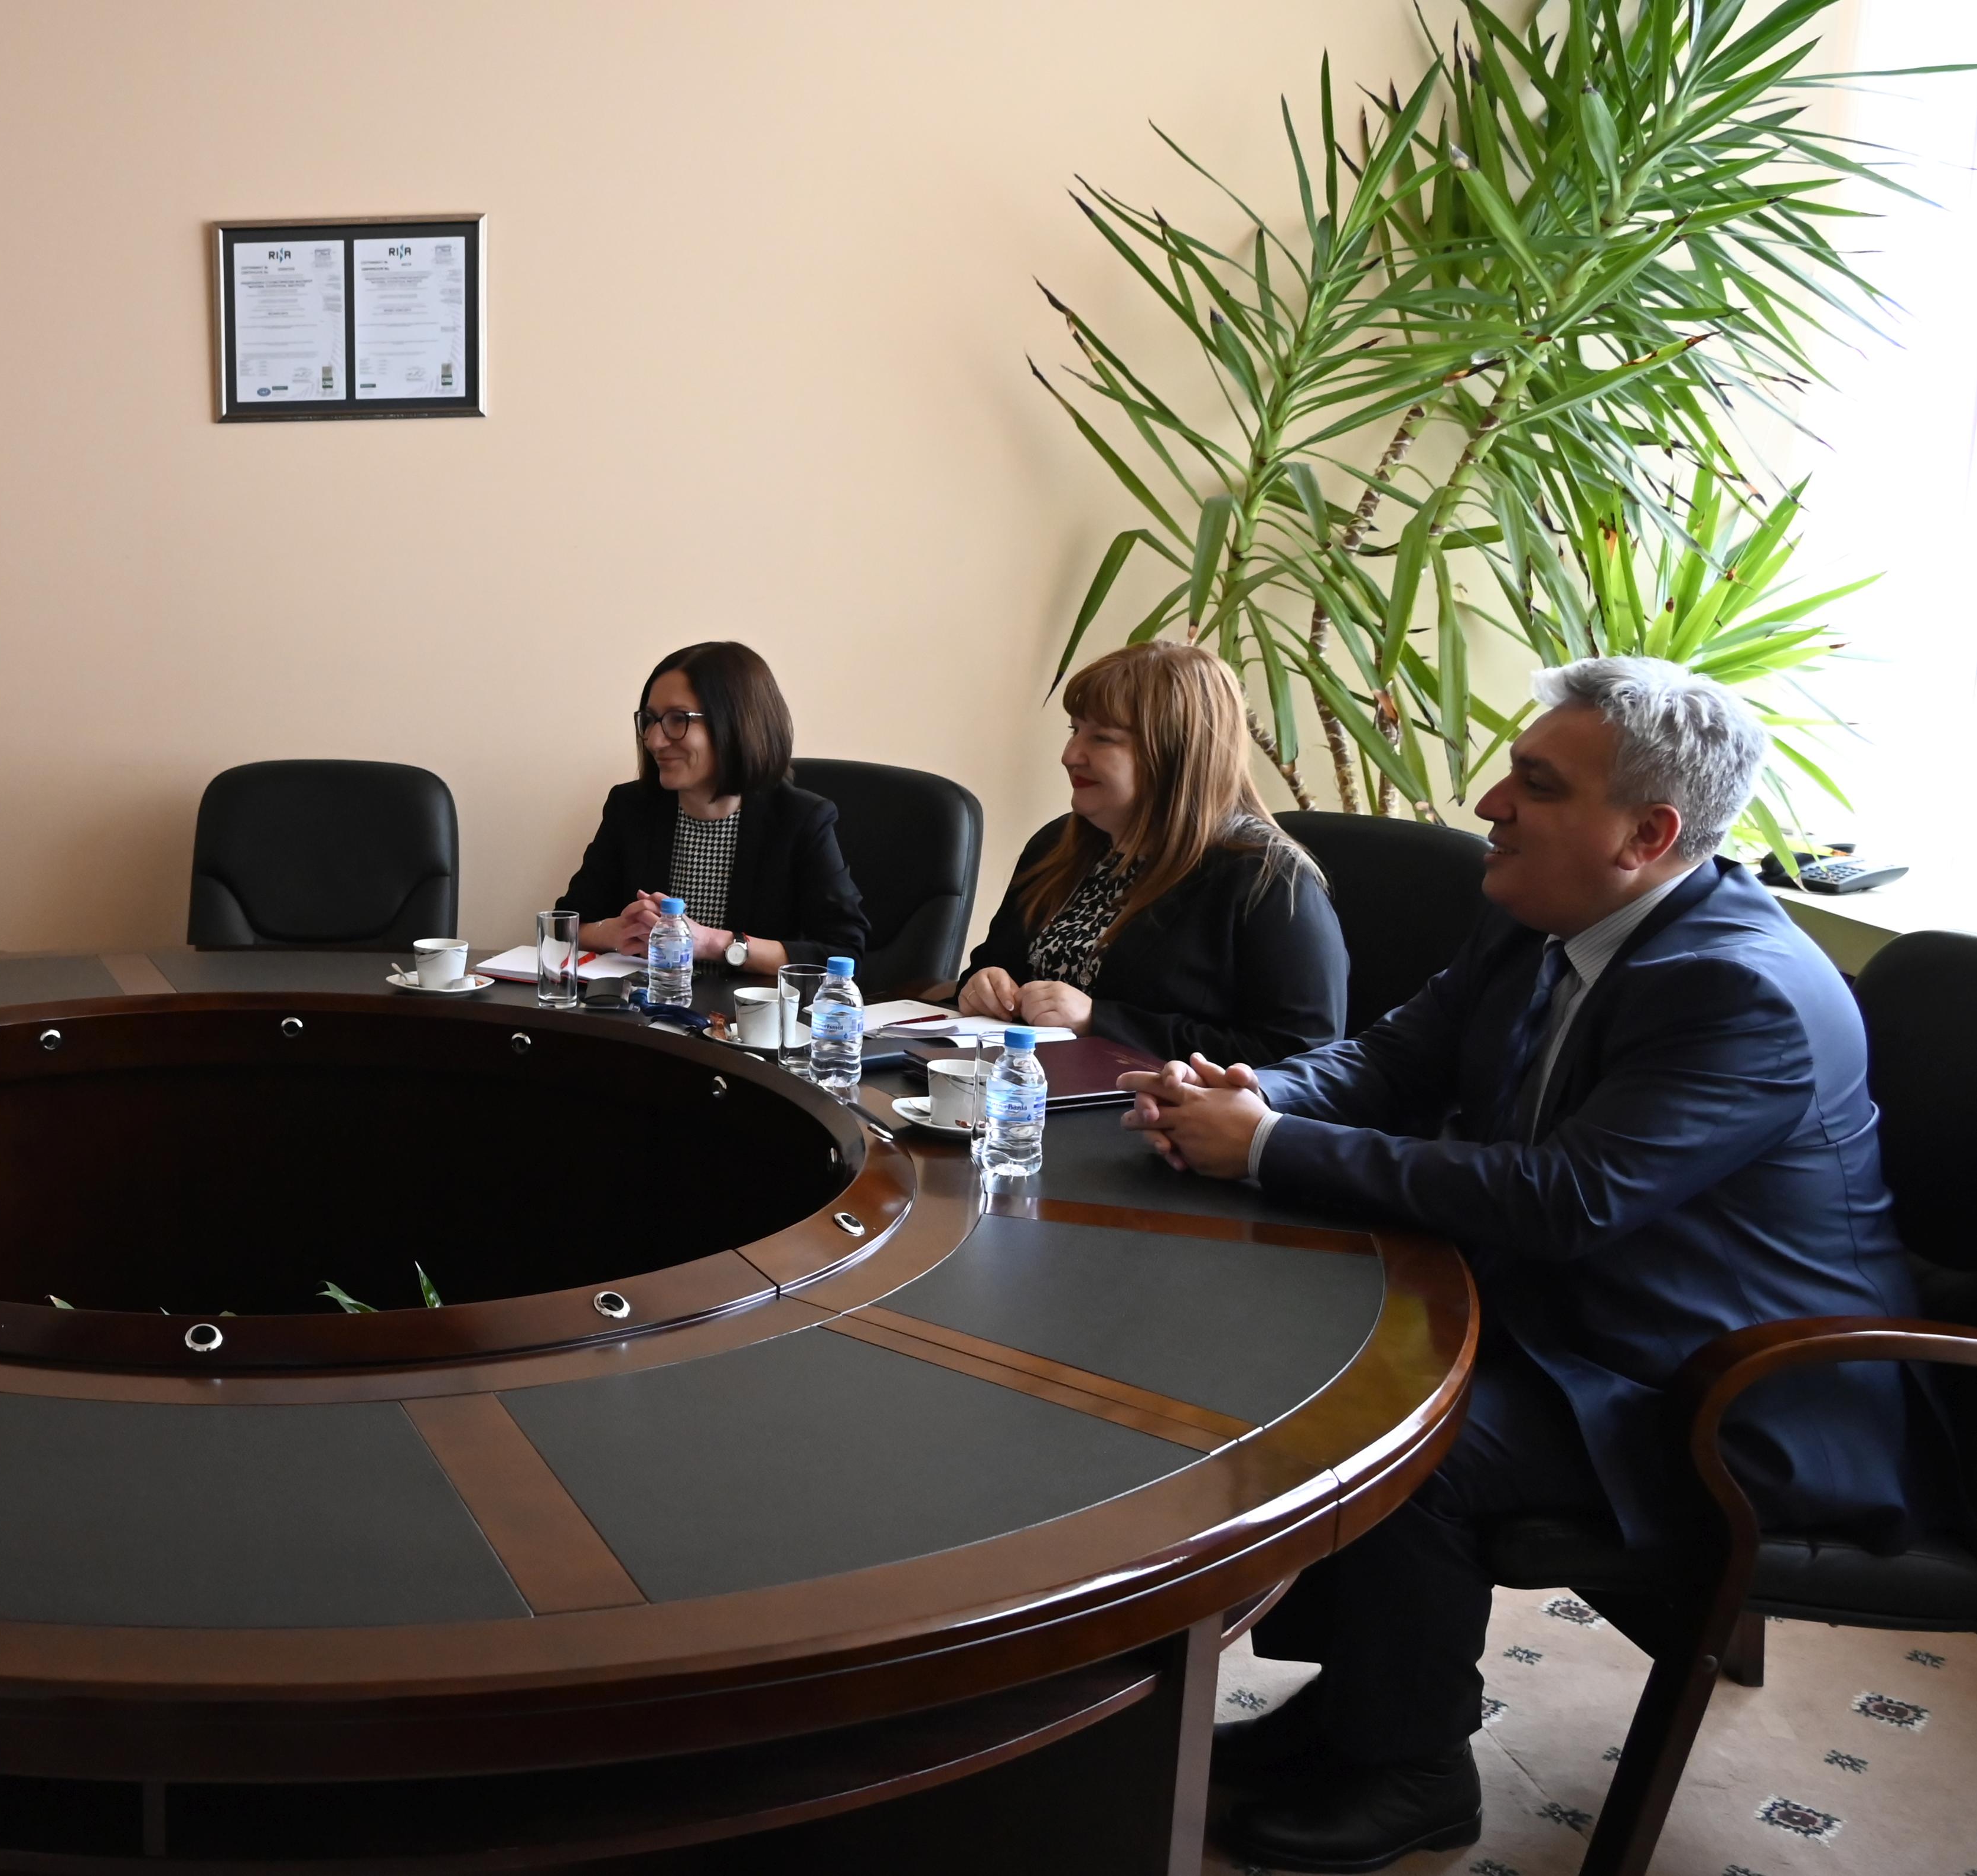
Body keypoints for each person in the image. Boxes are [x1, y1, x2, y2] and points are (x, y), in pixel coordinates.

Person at [1121, 658, 1946, 1872]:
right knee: (1306, 1359)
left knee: (1399, 1440)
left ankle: (1414, 1771)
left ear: (1647, 834)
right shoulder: (1538, 913)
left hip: (1735, 1387)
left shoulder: (1742, 990)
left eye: (1537, 784)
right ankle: (1358, 1707)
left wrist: (1266, 1147)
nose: (1490, 804)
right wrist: (1254, 1094)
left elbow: (1568, 1198)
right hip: (1589, 1318)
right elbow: (1392, 1061)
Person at [950, 641, 1344, 1064]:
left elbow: (1301, 1053)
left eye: (1103, 738)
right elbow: (993, 969)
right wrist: (983, 986)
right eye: (1074, 730)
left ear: (1176, 753)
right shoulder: (1057, 845)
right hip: (1018, 1089)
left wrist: (1099, 1021)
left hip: (1152, 1103)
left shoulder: (1267, 877)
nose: (1070, 755)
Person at [560, 641, 868, 973]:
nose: (654, 740)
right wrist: (614, 933)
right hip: (646, 1002)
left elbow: (844, 952)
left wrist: (712, 943)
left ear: (736, 724)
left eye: (678, 719)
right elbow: (564, 925)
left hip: (744, 1006)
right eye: (650, 720)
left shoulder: (800, 819)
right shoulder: (631, 808)